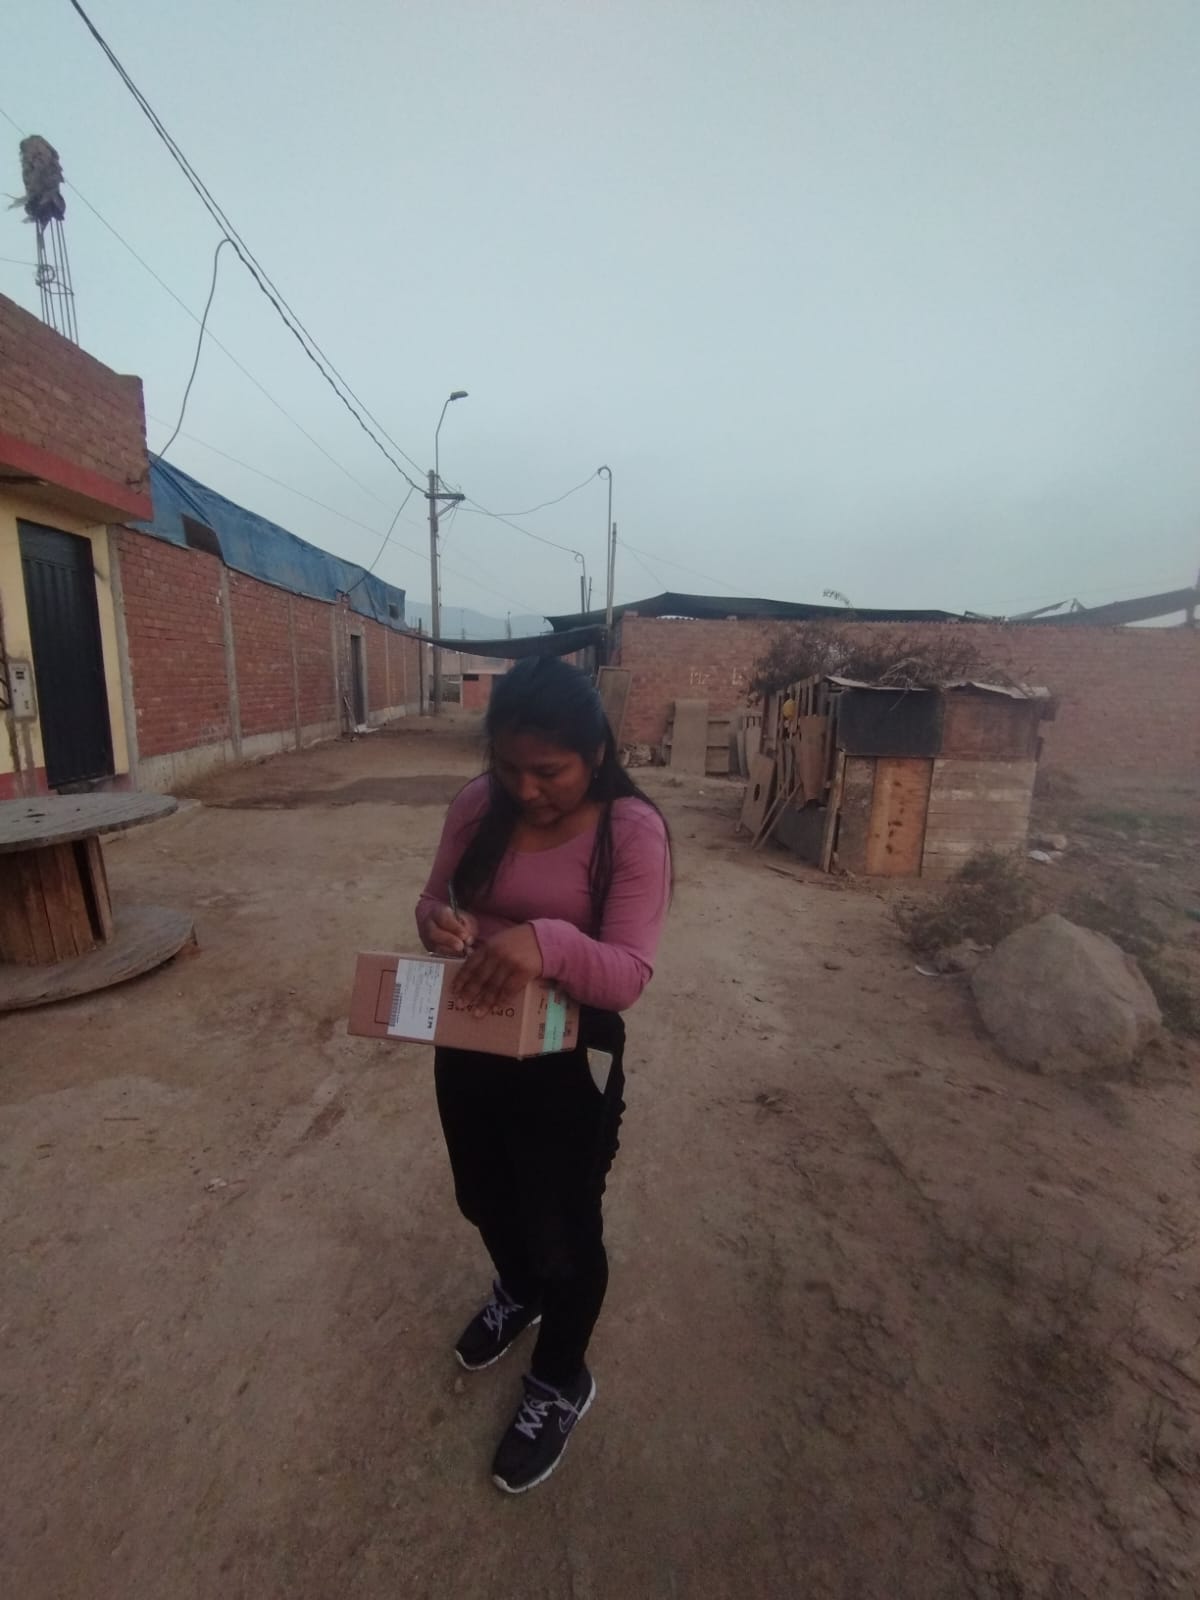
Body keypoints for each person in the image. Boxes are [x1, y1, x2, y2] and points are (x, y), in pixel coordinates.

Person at [416, 655, 671, 1494]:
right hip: (472, 1037)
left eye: (549, 772)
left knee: (563, 1231)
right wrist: (441, 924)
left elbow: (628, 973)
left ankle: (561, 1378)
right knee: (482, 1195)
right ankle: (517, 1290)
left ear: (595, 754)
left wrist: (547, 942)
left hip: (567, 1057)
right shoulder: (475, 805)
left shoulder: (631, 831)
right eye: (508, 767)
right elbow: (431, 901)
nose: (525, 790)